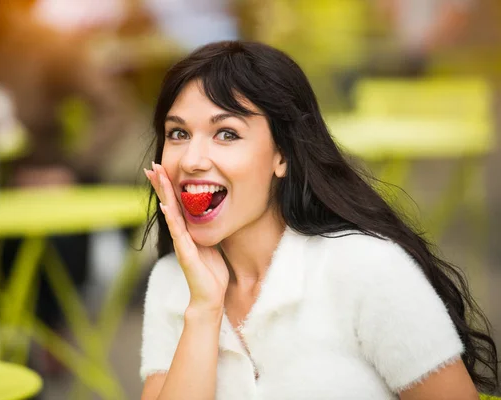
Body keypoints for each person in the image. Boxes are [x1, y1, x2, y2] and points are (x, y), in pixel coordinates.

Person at [138, 41, 499, 399]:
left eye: (227, 133)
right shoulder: (173, 283)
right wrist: (204, 310)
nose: (191, 160)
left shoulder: (367, 267)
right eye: (178, 133)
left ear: (283, 154)